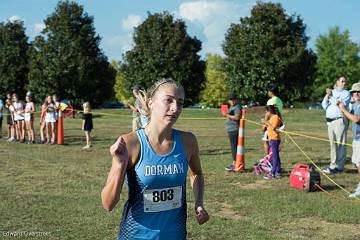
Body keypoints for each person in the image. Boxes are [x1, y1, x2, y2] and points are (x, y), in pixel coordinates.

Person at [101, 78, 209, 239]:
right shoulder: (131, 143)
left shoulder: (188, 141)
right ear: (151, 102)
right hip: (136, 235)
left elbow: (197, 174)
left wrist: (199, 202)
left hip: (175, 234)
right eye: (168, 100)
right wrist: (119, 164)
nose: (175, 108)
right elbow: (108, 204)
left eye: (180, 103)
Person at [321, 76, 351, 174]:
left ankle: (340, 167)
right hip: (330, 122)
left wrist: (331, 96)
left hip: (340, 121)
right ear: (337, 82)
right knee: (332, 144)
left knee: (340, 144)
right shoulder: (332, 92)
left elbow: (339, 104)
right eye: (342, 81)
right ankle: (333, 165)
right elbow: (324, 105)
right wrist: (327, 95)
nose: (343, 83)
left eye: (344, 82)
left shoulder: (346, 93)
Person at [338, 82, 360, 198]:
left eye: (358, 91)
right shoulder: (356, 104)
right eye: (354, 92)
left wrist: (343, 109)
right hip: (356, 139)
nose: (356, 93)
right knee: (357, 163)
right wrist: (341, 108)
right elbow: (349, 116)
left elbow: (356, 119)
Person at [261, 105, 283, 179]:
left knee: (274, 156)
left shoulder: (276, 117)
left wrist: (266, 122)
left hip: (275, 139)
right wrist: (265, 122)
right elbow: (264, 129)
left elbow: (273, 127)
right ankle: (277, 171)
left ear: (269, 111)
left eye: (266, 112)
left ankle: (272, 173)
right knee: (275, 155)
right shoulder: (271, 118)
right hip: (272, 139)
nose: (265, 113)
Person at [222, 93, 242, 172]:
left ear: (236, 99)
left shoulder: (237, 107)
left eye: (233, 100)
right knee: (233, 146)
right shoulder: (232, 107)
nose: (232, 101)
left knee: (234, 147)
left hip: (234, 129)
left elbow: (237, 117)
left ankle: (235, 164)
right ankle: (235, 162)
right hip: (230, 129)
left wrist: (227, 114)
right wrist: (226, 114)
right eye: (231, 100)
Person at [262, 84, 284, 154]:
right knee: (275, 140)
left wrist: (264, 125)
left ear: (271, 91)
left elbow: (268, 113)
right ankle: (272, 158)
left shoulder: (270, 101)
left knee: (265, 140)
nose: (267, 93)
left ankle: (268, 159)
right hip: (278, 122)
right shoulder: (279, 101)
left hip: (270, 123)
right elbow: (279, 113)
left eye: (268, 91)